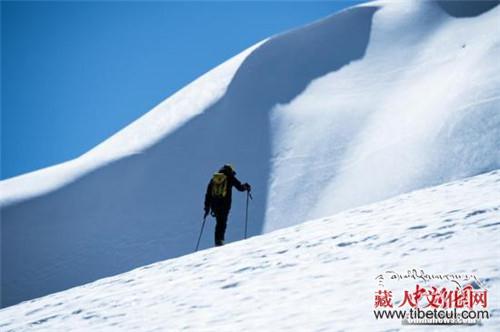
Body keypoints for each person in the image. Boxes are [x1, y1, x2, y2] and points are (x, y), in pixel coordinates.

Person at [204, 164, 251, 246]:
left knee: (219, 223)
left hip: (215, 206)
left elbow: (208, 195)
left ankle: (217, 241)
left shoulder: (213, 180)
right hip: (225, 205)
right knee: (222, 222)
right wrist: (246, 187)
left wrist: (207, 208)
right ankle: (220, 241)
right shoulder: (229, 177)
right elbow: (240, 187)